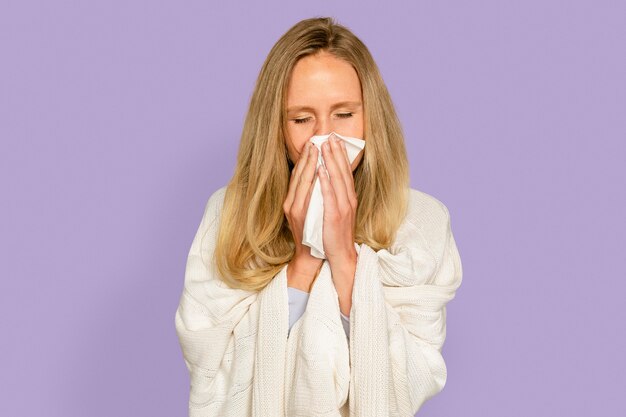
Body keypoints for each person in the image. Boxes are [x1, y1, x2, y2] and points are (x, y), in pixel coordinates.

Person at [174, 16, 463, 417]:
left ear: (370, 118)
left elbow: (412, 381)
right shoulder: (229, 214)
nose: (323, 138)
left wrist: (343, 256)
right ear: (274, 126)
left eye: (344, 115)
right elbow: (210, 371)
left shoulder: (420, 223)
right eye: (301, 119)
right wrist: (306, 258)